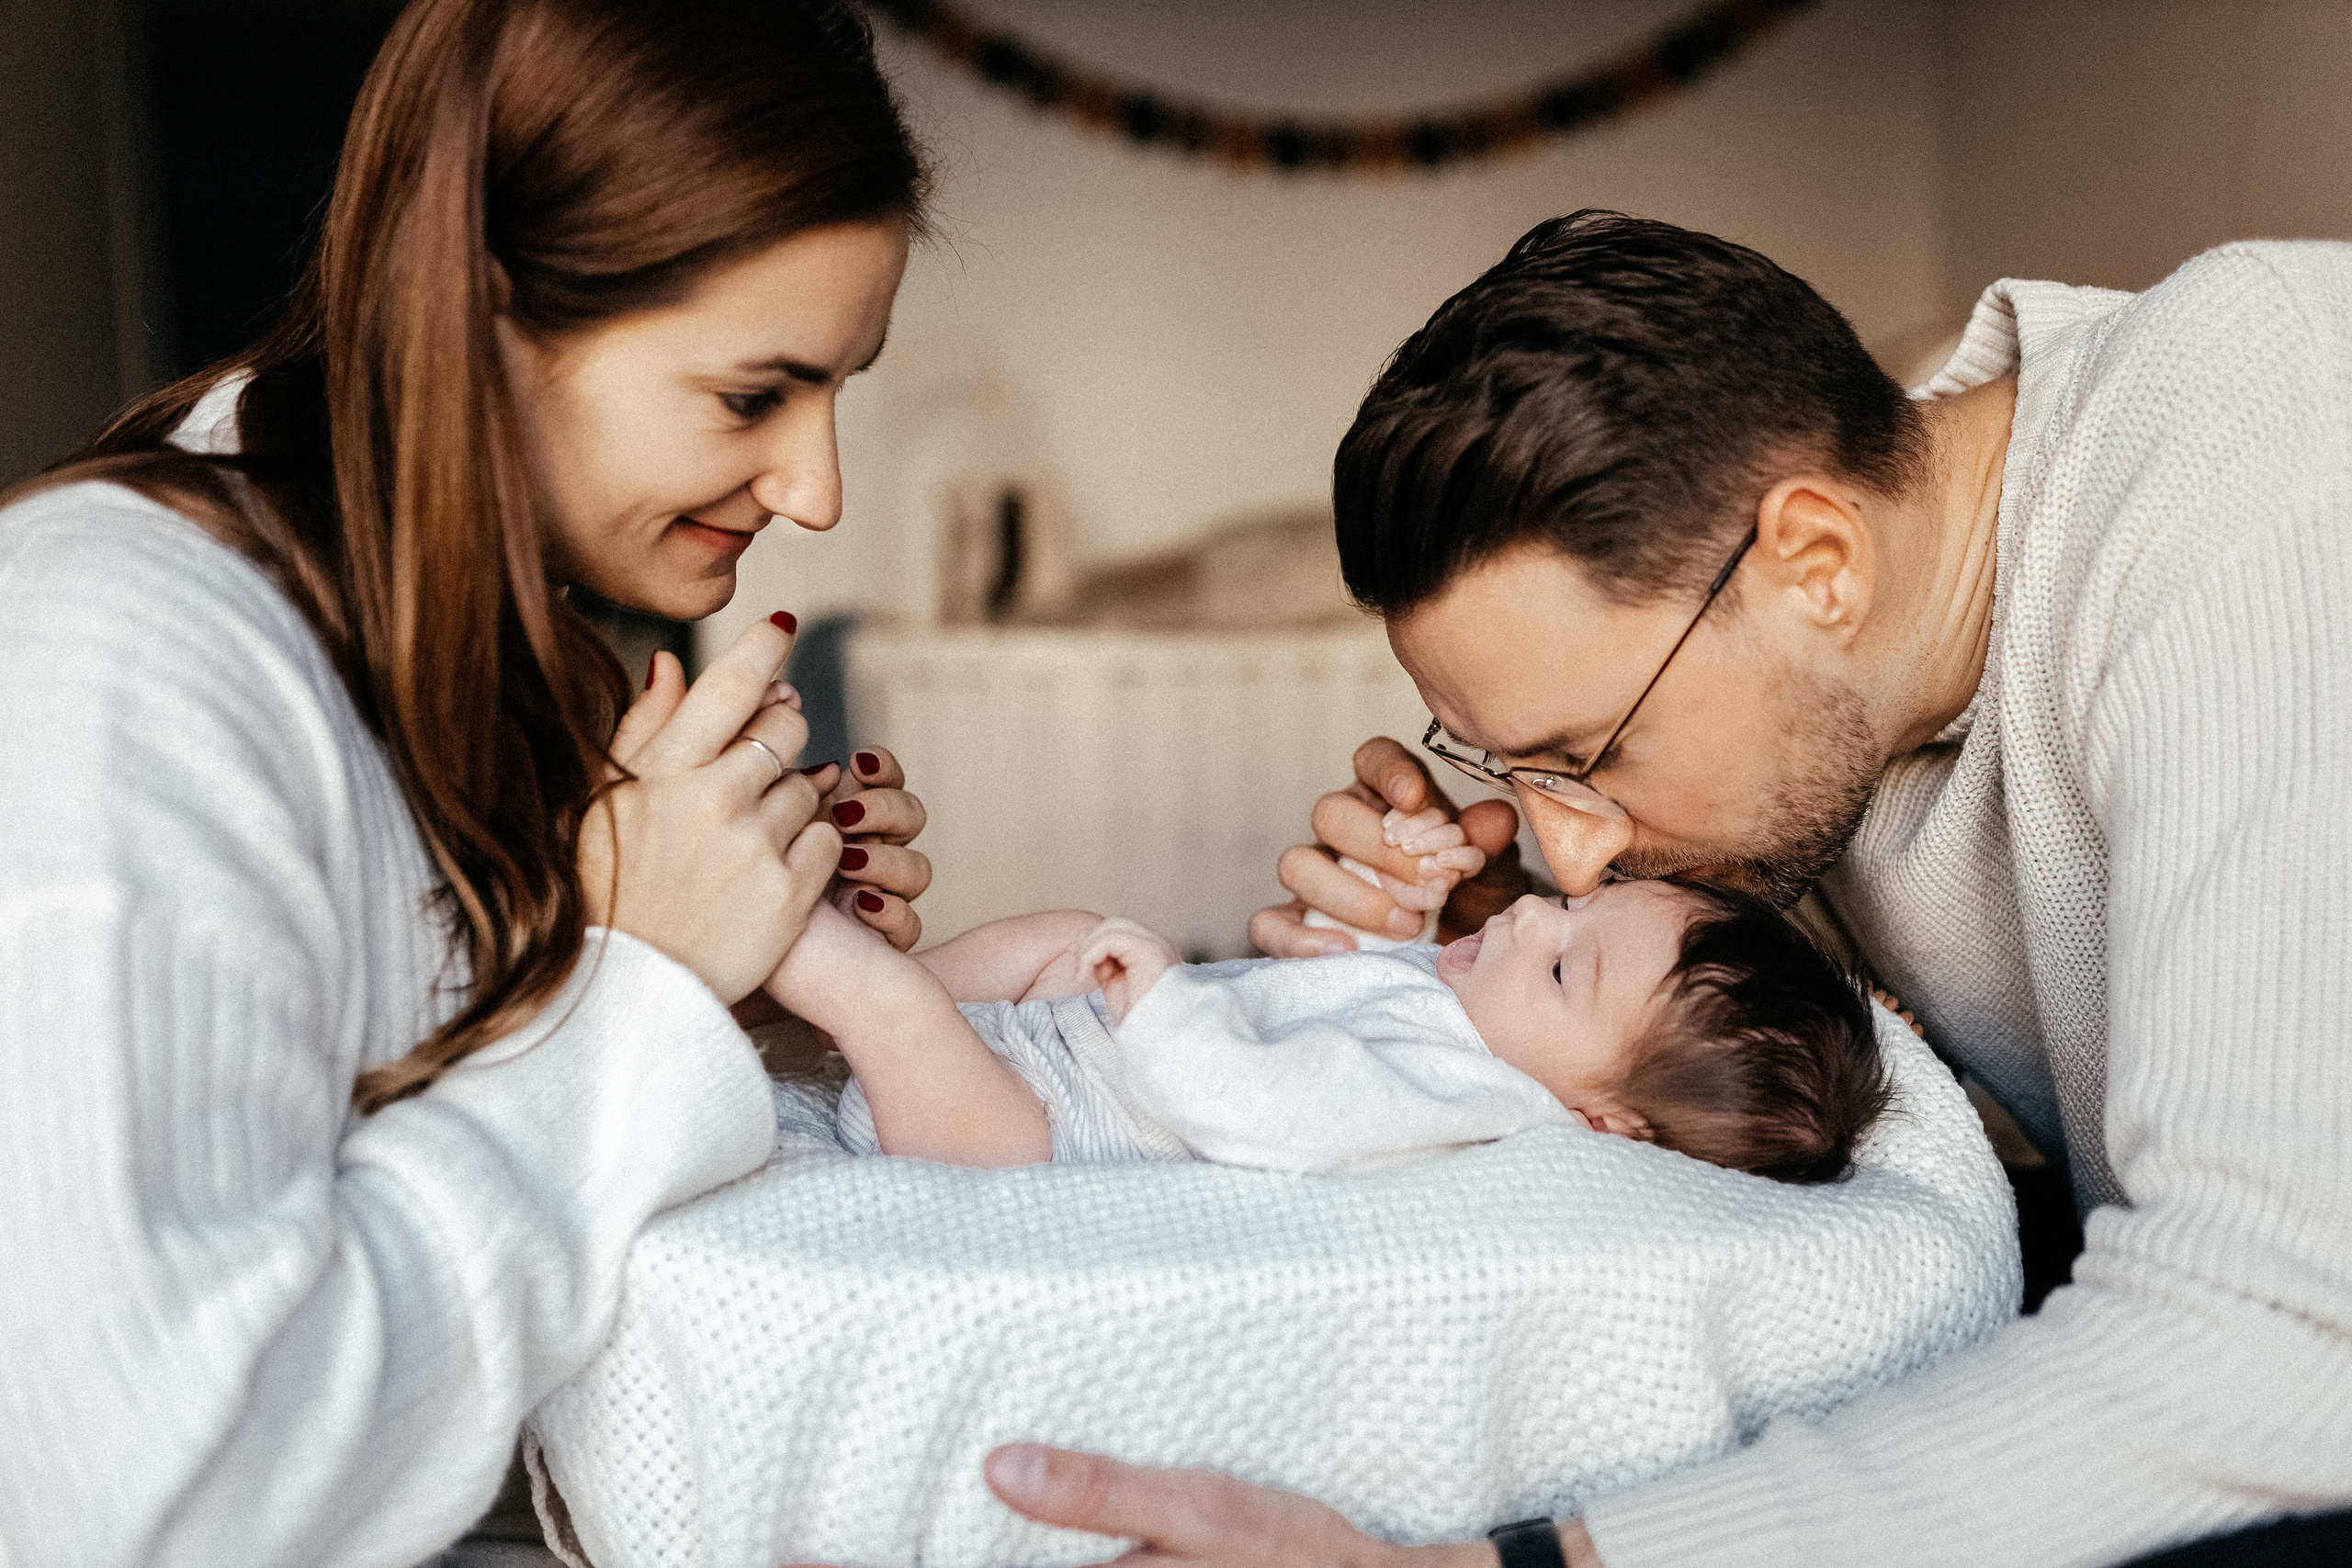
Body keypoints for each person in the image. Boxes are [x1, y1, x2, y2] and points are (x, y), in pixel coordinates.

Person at [979, 214, 2352, 1566]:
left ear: (1818, 560)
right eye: (1514, 772)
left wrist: (1499, 1563)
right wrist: (1467, 977)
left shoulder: (2260, 446)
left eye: (1593, 757)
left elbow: (2282, 1332)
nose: (1573, 854)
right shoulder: (1839, 690)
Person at [0, 2, 939, 1563]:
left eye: (839, 391)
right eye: (750, 396)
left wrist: (748, 1000)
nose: (818, 491)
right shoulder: (115, 654)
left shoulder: (506, 652)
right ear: (487, 323)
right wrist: (638, 987)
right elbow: (161, 1502)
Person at [767, 877, 1889, 1185]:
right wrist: (1386, 916)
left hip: (1032, 1134)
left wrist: (1164, 998)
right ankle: (869, 1011)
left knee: (897, 1014)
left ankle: (795, 948)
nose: (1533, 912)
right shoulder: (1478, 1015)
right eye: (1577, 900)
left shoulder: (1475, 1099)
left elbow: (1282, 1107)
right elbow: (1330, 992)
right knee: (1064, 931)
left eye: (1561, 962)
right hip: (1052, 1052)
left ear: (1602, 1116)